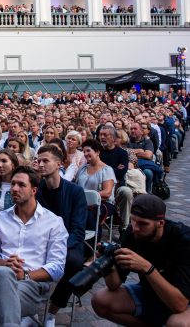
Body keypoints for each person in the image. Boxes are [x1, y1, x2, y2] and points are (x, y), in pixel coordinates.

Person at [0, 165, 68, 326]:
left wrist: (25, 275)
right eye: (13, 184)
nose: (14, 188)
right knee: (3, 272)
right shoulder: (1, 217)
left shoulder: (53, 222)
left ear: (33, 190)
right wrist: (4, 263)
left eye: (21, 185)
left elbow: (57, 267)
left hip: (32, 284)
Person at [92, 194, 190, 326]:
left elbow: (179, 305)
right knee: (100, 300)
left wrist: (147, 268)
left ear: (161, 223)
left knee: (178, 324)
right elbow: (113, 285)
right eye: (133, 220)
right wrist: (108, 264)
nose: (136, 228)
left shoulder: (184, 241)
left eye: (143, 224)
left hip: (184, 301)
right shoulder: (133, 232)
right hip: (150, 292)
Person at [36, 145, 87, 327]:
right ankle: (27, 306)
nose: (40, 164)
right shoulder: (36, 190)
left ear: (58, 164)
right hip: (40, 241)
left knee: (74, 263)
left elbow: (78, 231)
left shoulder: (75, 191)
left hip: (68, 243)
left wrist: (58, 248)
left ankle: (52, 310)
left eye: (45, 161)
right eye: (38, 160)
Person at [75, 139, 116, 241]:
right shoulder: (82, 168)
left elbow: (107, 193)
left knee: (90, 214)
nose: (85, 154)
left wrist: (87, 197)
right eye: (84, 151)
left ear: (97, 152)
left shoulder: (107, 170)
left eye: (88, 151)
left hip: (102, 203)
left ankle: (93, 246)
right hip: (81, 202)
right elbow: (75, 186)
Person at [98, 125, 133, 231]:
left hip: (117, 187)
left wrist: (103, 168)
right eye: (100, 135)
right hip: (98, 187)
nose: (102, 137)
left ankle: (124, 227)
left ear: (113, 138)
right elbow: (94, 171)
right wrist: (114, 169)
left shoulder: (122, 153)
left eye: (105, 135)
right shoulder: (97, 151)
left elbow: (121, 173)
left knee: (126, 192)